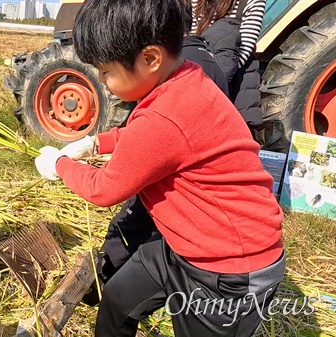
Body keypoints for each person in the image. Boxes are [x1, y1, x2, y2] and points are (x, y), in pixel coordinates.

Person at [35, 0, 285, 336]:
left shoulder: (166, 112)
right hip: (188, 244)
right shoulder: (185, 78)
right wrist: (98, 143)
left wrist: (60, 164)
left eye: (106, 72)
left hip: (231, 272)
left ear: (150, 59)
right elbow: (153, 137)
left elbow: (105, 188)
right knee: (120, 297)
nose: (103, 81)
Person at [192, 0, 267, 130]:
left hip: (233, 80)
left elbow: (244, 50)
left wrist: (213, 78)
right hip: (196, 74)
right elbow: (188, 38)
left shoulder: (252, 2)